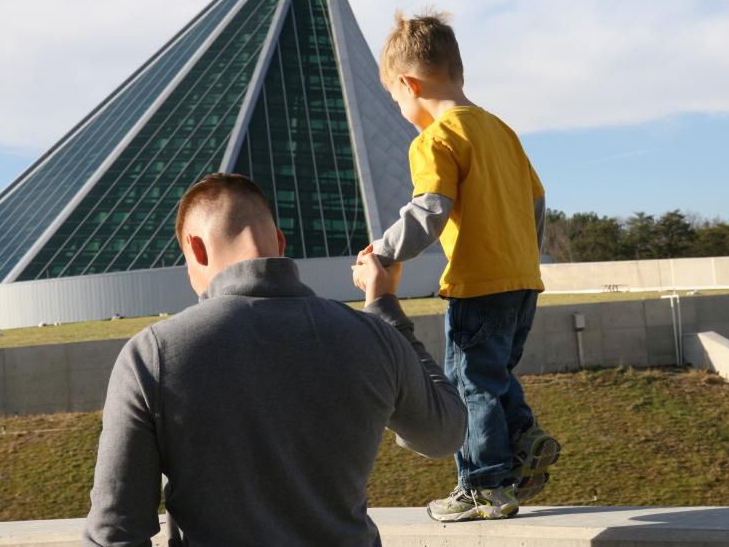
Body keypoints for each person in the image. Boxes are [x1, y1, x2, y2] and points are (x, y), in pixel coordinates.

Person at [83, 173, 466, 547]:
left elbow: (116, 531)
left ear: (196, 249)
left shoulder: (154, 353)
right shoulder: (374, 336)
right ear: (280, 243)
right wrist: (385, 312)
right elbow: (445, 434)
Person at [357, 10, 561, 522]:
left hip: (476, 284)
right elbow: (537, 202)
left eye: (395, 98)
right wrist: (522, 257)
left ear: (408, 83)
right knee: (491, 375)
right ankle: (522, 434)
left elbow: (429, 210)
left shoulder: (435, 139)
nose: (400, 108)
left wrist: (383, 251)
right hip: (522, 283)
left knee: (468, 384)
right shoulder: (500, 130)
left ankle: (483, 485)